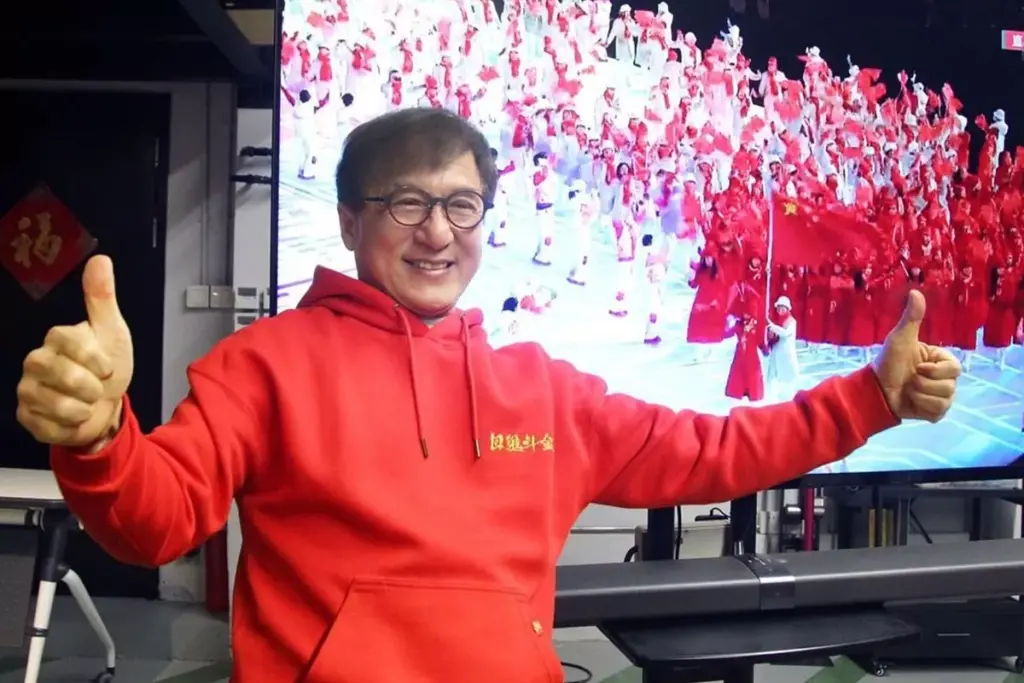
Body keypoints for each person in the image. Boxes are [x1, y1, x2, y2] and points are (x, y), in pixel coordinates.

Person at [15, 108, 961, 683]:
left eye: (460, 204)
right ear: (349, 221)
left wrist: (869, 401)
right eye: (405, 202)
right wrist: (99, 439)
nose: (437, 231)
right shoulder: (265, 364)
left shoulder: (540, 389)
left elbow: (713, 451)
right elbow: (156, 521)